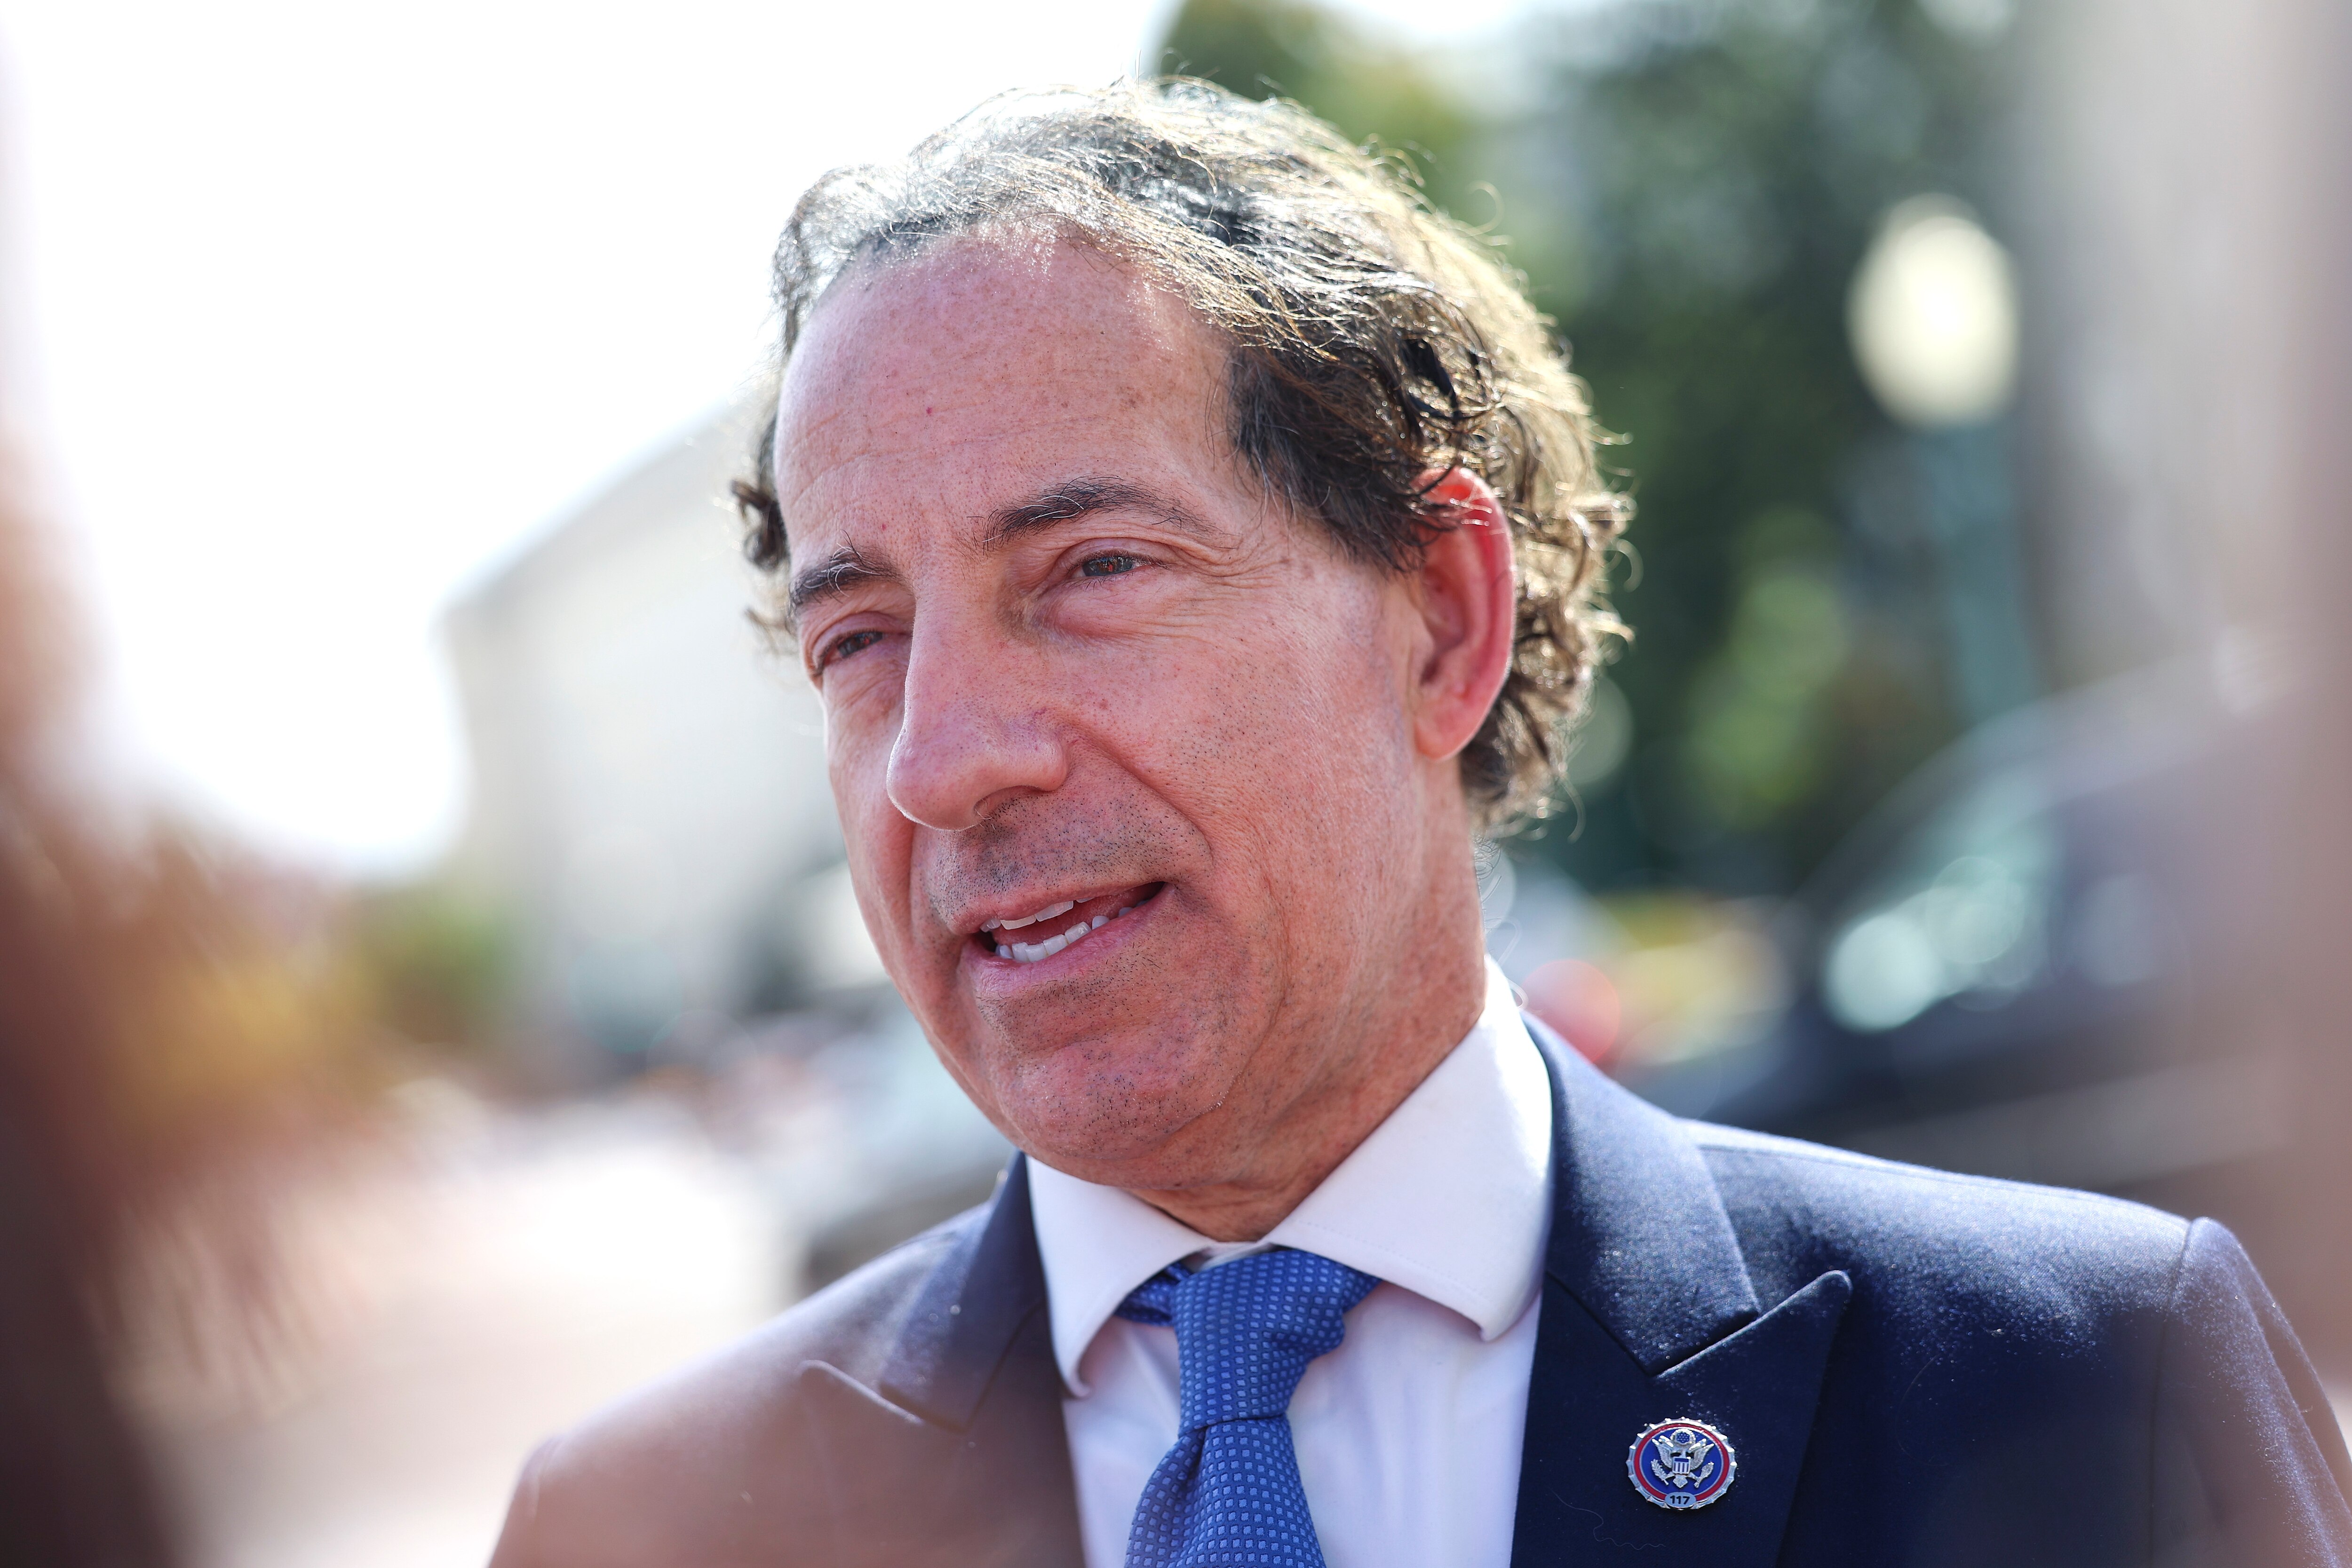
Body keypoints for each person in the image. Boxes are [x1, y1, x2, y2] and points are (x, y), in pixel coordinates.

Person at [487, 79, 2351, 1568]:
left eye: (1092, 570)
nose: (945, 760)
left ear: (1443, 616)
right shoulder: (645, 1535)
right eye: (861, 639)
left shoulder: (2081, 1386)